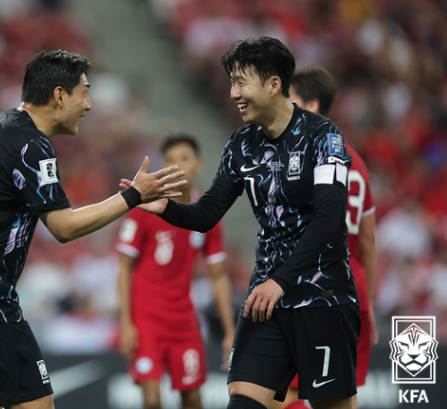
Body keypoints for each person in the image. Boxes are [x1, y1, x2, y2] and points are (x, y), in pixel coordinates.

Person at [0, 49, 186, 409]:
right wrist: (134, 196)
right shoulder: (32, 144)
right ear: (60, 95)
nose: (88, 105)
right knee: (36, 404)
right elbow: (63, 227)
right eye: (84, 93)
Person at [122, 37, 360, 409]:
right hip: (265, 304)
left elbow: (329, 219)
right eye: (231, 83)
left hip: (322, 299)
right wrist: (166, 208)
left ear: (274, 83)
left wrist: (280, 282)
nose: (234, 93)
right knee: (242, 403)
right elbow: (206, 214)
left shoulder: (323, 136)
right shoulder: (241, 145)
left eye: (241, 82)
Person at [269, 66, 378, 409]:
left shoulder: (305, 157)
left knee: (276, 391)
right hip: (354, 292)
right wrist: (369, 305)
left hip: (316, 289)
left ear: (312, 106)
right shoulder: (356, 161)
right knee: (343, 398)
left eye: (292, 102)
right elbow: (369, 243)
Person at [117, 134, 236, 409]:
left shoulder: (207, 215)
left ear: (198, 163)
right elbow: (124, 268)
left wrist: (230, 332)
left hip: (184, 322)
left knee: (193, 398)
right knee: (151, 398)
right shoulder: (146, 208)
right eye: (170, 160)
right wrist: (125, 323)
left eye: (184, 158)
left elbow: (218, 276)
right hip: (147, 320)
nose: (177, 165)